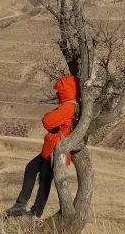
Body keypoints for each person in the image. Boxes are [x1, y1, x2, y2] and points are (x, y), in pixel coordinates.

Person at [5, 75, 78, 218]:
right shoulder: (70, 106)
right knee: (33, 170)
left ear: (66, 91)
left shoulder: (68, 107)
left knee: (43, 180)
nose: (58, 93)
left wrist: (51, 115)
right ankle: (22, 206)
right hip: (50, 149)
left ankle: (34, 212)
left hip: (55, 151)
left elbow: (47, 121)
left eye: (60, 90)